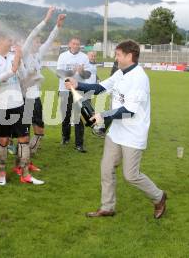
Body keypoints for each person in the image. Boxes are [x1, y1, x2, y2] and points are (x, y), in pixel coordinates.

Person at [65, 40, 167, 219]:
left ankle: (159, 197)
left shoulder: (139, 78)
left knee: (131, 175)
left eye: (118, 54)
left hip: (133, 134)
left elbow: (128, 111)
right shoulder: (121, 72)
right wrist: (77, 84)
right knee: (106, 169)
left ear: (129, 56)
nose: (115, 57)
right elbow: (100, 88)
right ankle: (107, 207)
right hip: (116, 133)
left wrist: (102, 115)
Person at [0, 32, 44, 186]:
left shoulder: (14, 55)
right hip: (2, 106)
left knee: (24, 139)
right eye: (8, 39)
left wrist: (20, 66)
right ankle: (2, 172)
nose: (11, 42)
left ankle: (25, 173)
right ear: (0, 40)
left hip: (18, 103)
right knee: (3, 140)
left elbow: (23, 76)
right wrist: (11, 70)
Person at [22, 6, 66, 163]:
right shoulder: (24, 53)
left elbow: (50, 39)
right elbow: (33, 33)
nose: (37, 43)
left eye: (38, 42)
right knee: (23, 131)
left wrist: (58, 25)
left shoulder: (39, 53)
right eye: (35, 41)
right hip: (23, 97)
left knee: (40, 130)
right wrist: (46, 19)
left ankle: (30, 152)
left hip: (35, 97)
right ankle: (23, 155)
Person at [56, 37, 91, 153]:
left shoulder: (84, 57)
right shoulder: (63, 56)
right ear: (69, 45)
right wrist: (73, 72)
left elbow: (88, 75)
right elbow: (59, 73)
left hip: (79, 90)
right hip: (64, 90)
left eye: (78, 44)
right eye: (74, 44)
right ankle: (65, 138)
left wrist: (81, 72)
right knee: (65, 117)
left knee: (78, 118)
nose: (76, 46)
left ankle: (79, 144)